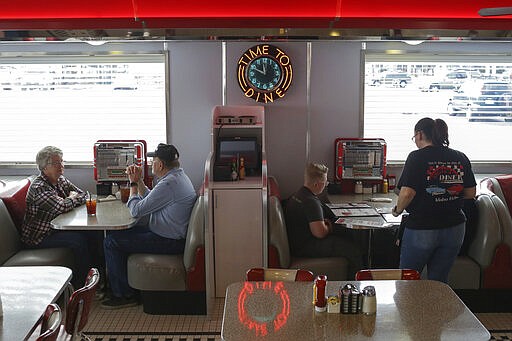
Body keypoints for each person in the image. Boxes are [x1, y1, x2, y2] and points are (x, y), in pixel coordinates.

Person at [102, 143, 197, 309]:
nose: (151, 163)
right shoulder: (176, 177)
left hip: (168, 241)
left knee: (111, 241)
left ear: (160, 165)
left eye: (153, 160)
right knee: (115, 234)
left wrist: (132, 184)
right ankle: (122, 286)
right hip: (166, 234)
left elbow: (136, 211)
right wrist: (138, 181)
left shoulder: (169, 184)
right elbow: (150, 199)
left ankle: (123, 295)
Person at [392, 117, 476, 283]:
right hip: (455, 228)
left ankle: (409, 310)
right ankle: (436, 309)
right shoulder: (460, 157)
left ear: (420, 134)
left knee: (408, 280)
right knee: (439, 282)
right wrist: (447, 195)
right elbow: (470, 193)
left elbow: (407, 193)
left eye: (414, 136)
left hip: (423, 227)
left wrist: (397, 210)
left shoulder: (417, 157)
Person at [21, 146, 96, 288]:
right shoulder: (39, 187)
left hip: (54, 230)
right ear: (44, 167)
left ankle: (96, 277)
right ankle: (82, 285)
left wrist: (70, 198)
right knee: (78, 241)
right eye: (56, 163)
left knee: (92, 233)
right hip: (39, 237)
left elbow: (83, 194)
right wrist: (71, 198)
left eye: (61, 161)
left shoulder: (60, 179)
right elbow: (61, 207)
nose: (61, 166)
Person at [284, 163, 363, 279]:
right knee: (354, 250)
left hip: (297, 243)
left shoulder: (299, 194)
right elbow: (319, 233)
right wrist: (329, 227)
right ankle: (355, 284)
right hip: (306, 246)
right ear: (316, 184)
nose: (326, 185)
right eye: (325, 182)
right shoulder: (311, 202)